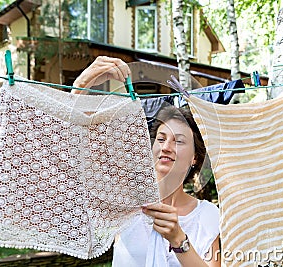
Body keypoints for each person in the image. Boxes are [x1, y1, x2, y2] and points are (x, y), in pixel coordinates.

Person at [73, 56, 220, 267]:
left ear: (195, 158)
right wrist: (82, 85)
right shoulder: (126, 200)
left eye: (178, 141)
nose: (166, 146)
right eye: (161, 139)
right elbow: (75, 151)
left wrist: (178, 239)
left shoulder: (207, 215)